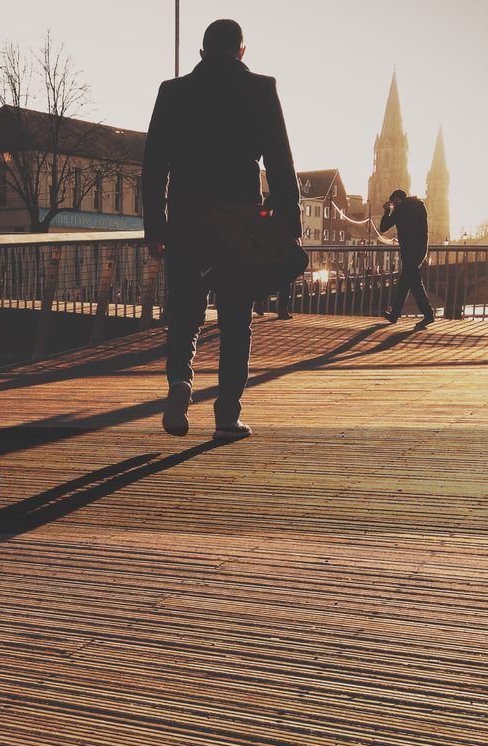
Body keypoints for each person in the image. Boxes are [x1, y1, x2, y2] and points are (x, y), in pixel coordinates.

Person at [143, 18, 301, 442]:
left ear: (201, 53)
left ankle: (180, 383)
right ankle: (227, 417)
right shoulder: (261, 89)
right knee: (235, 322)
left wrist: (154, 226)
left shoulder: (172, 92)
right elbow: (280, 164)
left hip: (185, 222)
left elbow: (154, 168)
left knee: (185, 314)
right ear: (242, 52)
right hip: (238, 224)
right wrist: (289, 222)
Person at [379, 188, 435, 326]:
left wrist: (387, 210)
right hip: (420, 250)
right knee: (407, 283)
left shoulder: (401, 210)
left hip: (409, 252)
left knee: (414, 284)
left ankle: (428, 315)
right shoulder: (420, 206)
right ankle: (394, 315)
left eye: (393, 202)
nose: (393, 205)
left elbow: (383, 227)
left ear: (397, 200)